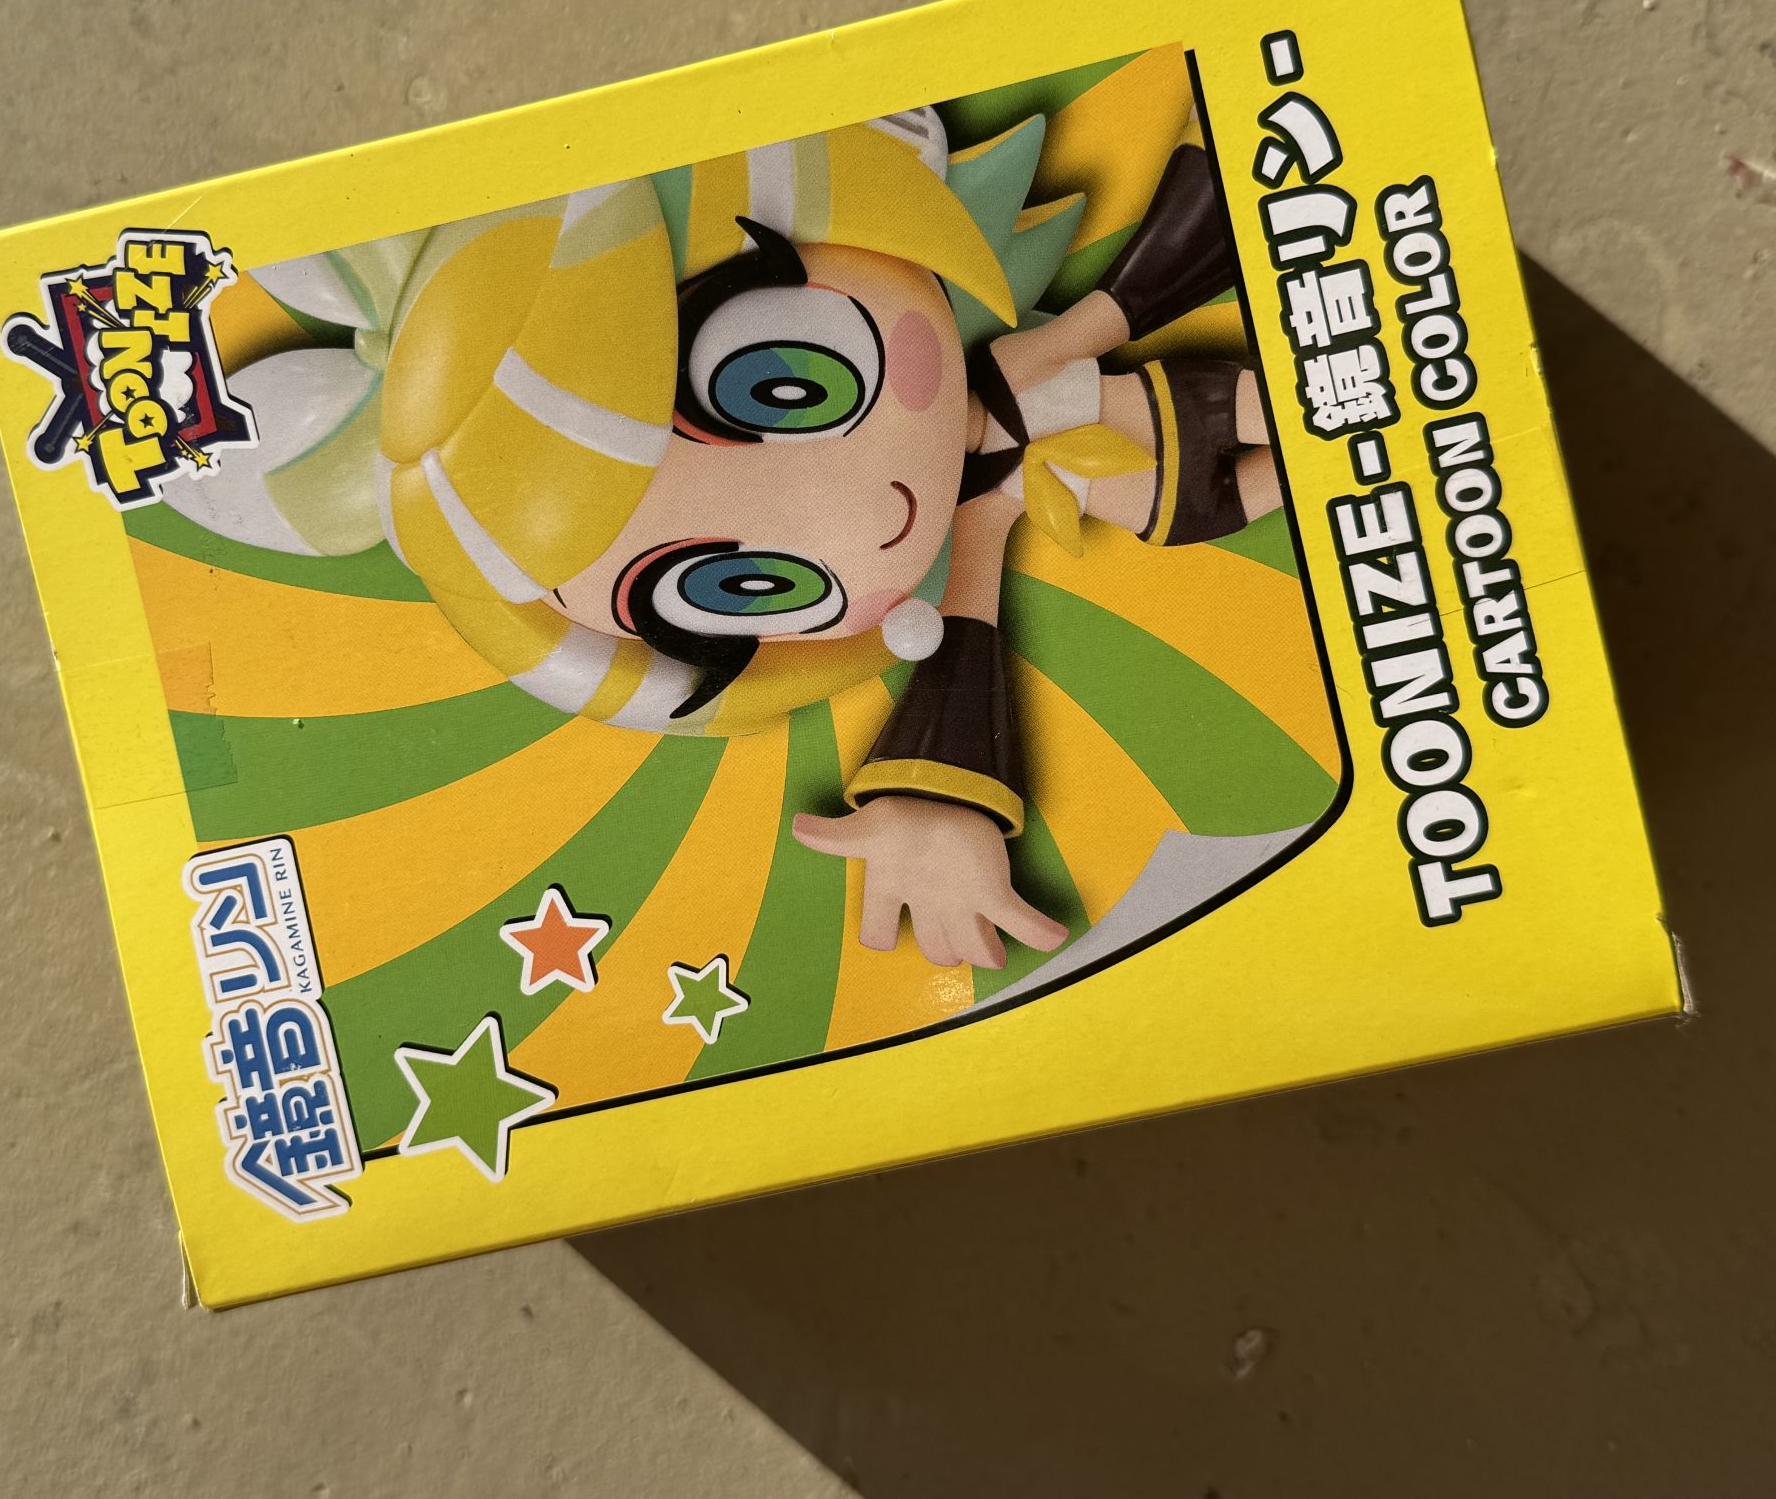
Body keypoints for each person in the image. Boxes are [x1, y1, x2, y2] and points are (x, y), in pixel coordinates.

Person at [173, 104, 1281, 971]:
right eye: (741, 584)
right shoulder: (967, 524)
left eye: (786, 382)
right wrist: (937, 805)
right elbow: (975, 602)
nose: (871, 519)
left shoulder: (988, 363)